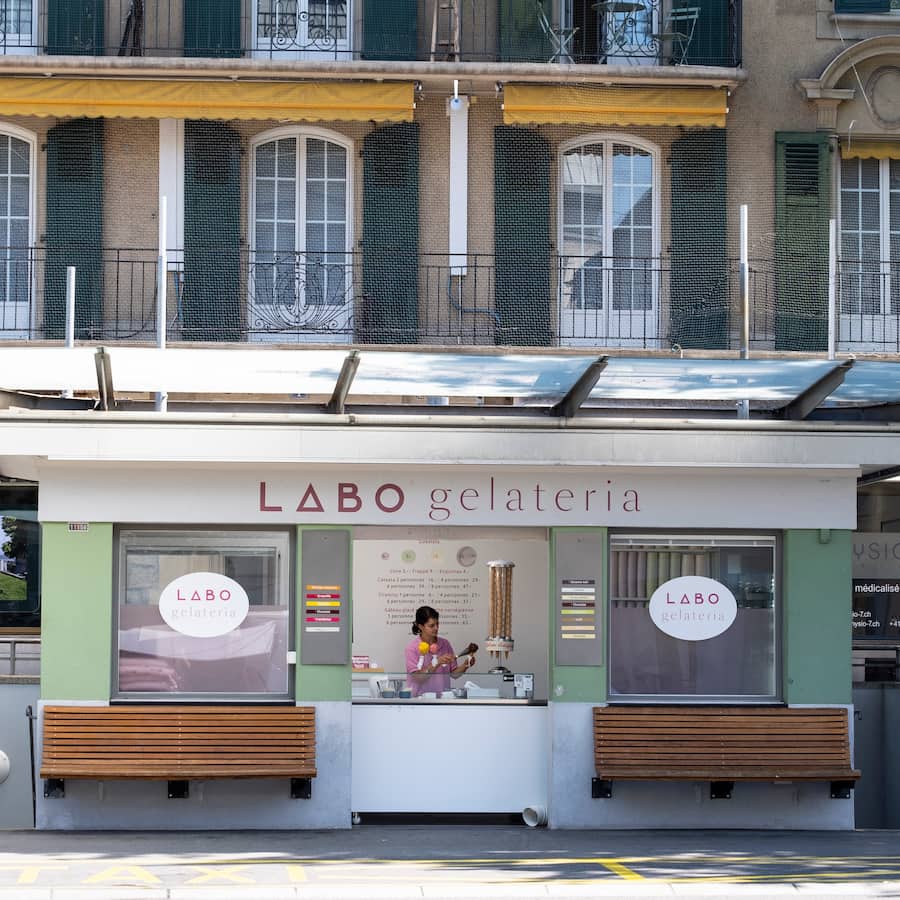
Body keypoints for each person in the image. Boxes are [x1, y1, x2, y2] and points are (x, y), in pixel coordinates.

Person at [405, 605, 477, 697]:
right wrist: (437, 662)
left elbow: (454, 674)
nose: (436, 628)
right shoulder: (412, 648)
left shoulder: (445, 644)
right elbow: (419, 678)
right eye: (431, 626)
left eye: (437, 624)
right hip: (420, 701)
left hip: (443, 699)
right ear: (420, 626)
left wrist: (466, 665)